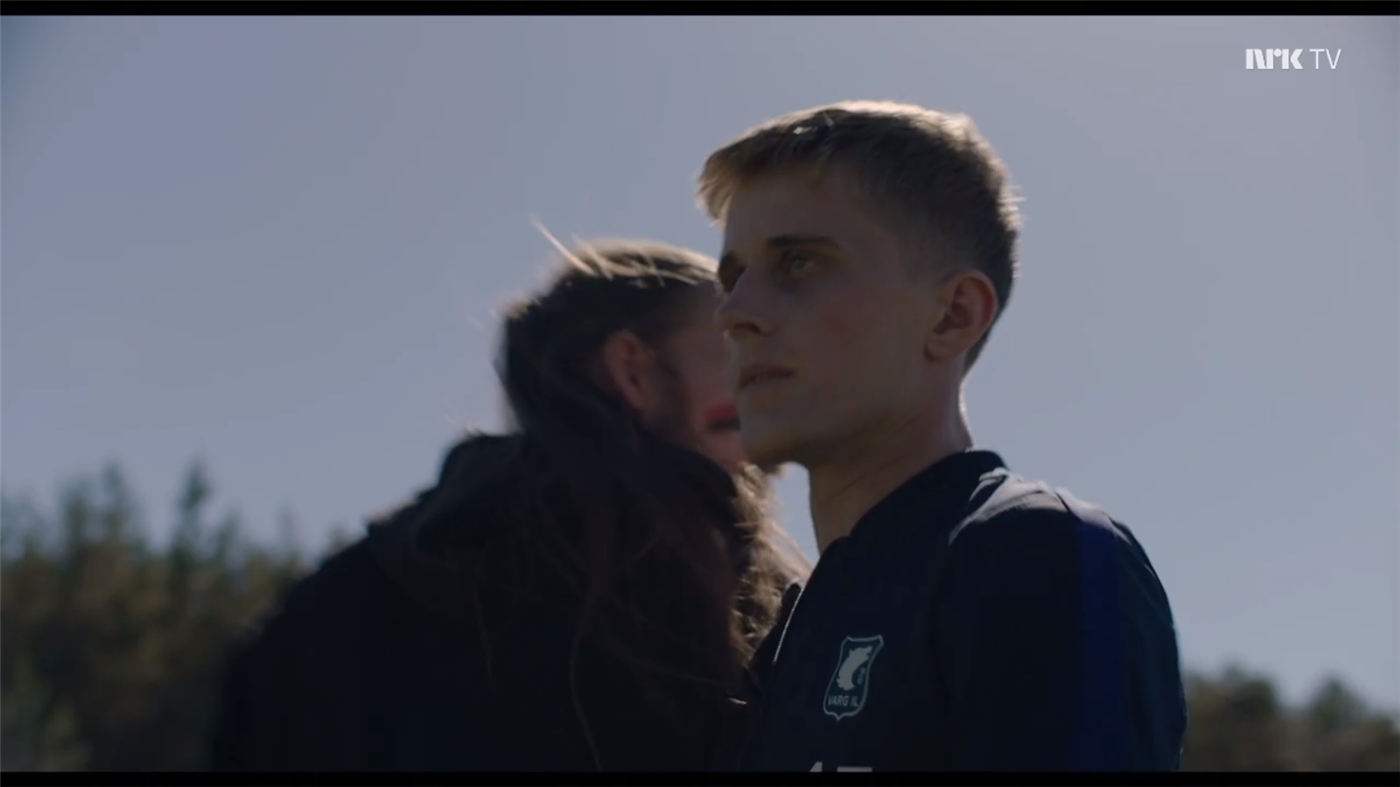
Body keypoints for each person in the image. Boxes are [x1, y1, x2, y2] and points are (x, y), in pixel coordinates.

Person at [699, 101, 1187, 771]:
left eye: (799, 263)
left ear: (953, 315)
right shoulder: (791, 636)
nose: (734, 313)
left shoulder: (1030, 554)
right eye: (733, 278)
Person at [208, 238, 808, 772]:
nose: (759, 382)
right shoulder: (652, 590)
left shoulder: (342, 598)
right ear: (633, 371)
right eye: (733, 345)